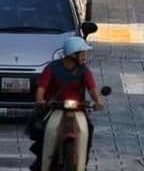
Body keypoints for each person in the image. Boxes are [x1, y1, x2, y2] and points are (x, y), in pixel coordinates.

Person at [32, 37, 105, 171]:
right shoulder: (52, 68)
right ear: (73, 55)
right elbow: (41, 88)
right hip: (56, 108)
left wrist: (98, 101)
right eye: (82, 53)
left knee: (84, 131)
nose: (84, 57)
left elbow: (92, 90)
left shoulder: (85, 71)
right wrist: (40, 99)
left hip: (78, 109)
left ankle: (82, 165)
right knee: (50, 130)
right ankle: (44, 166)